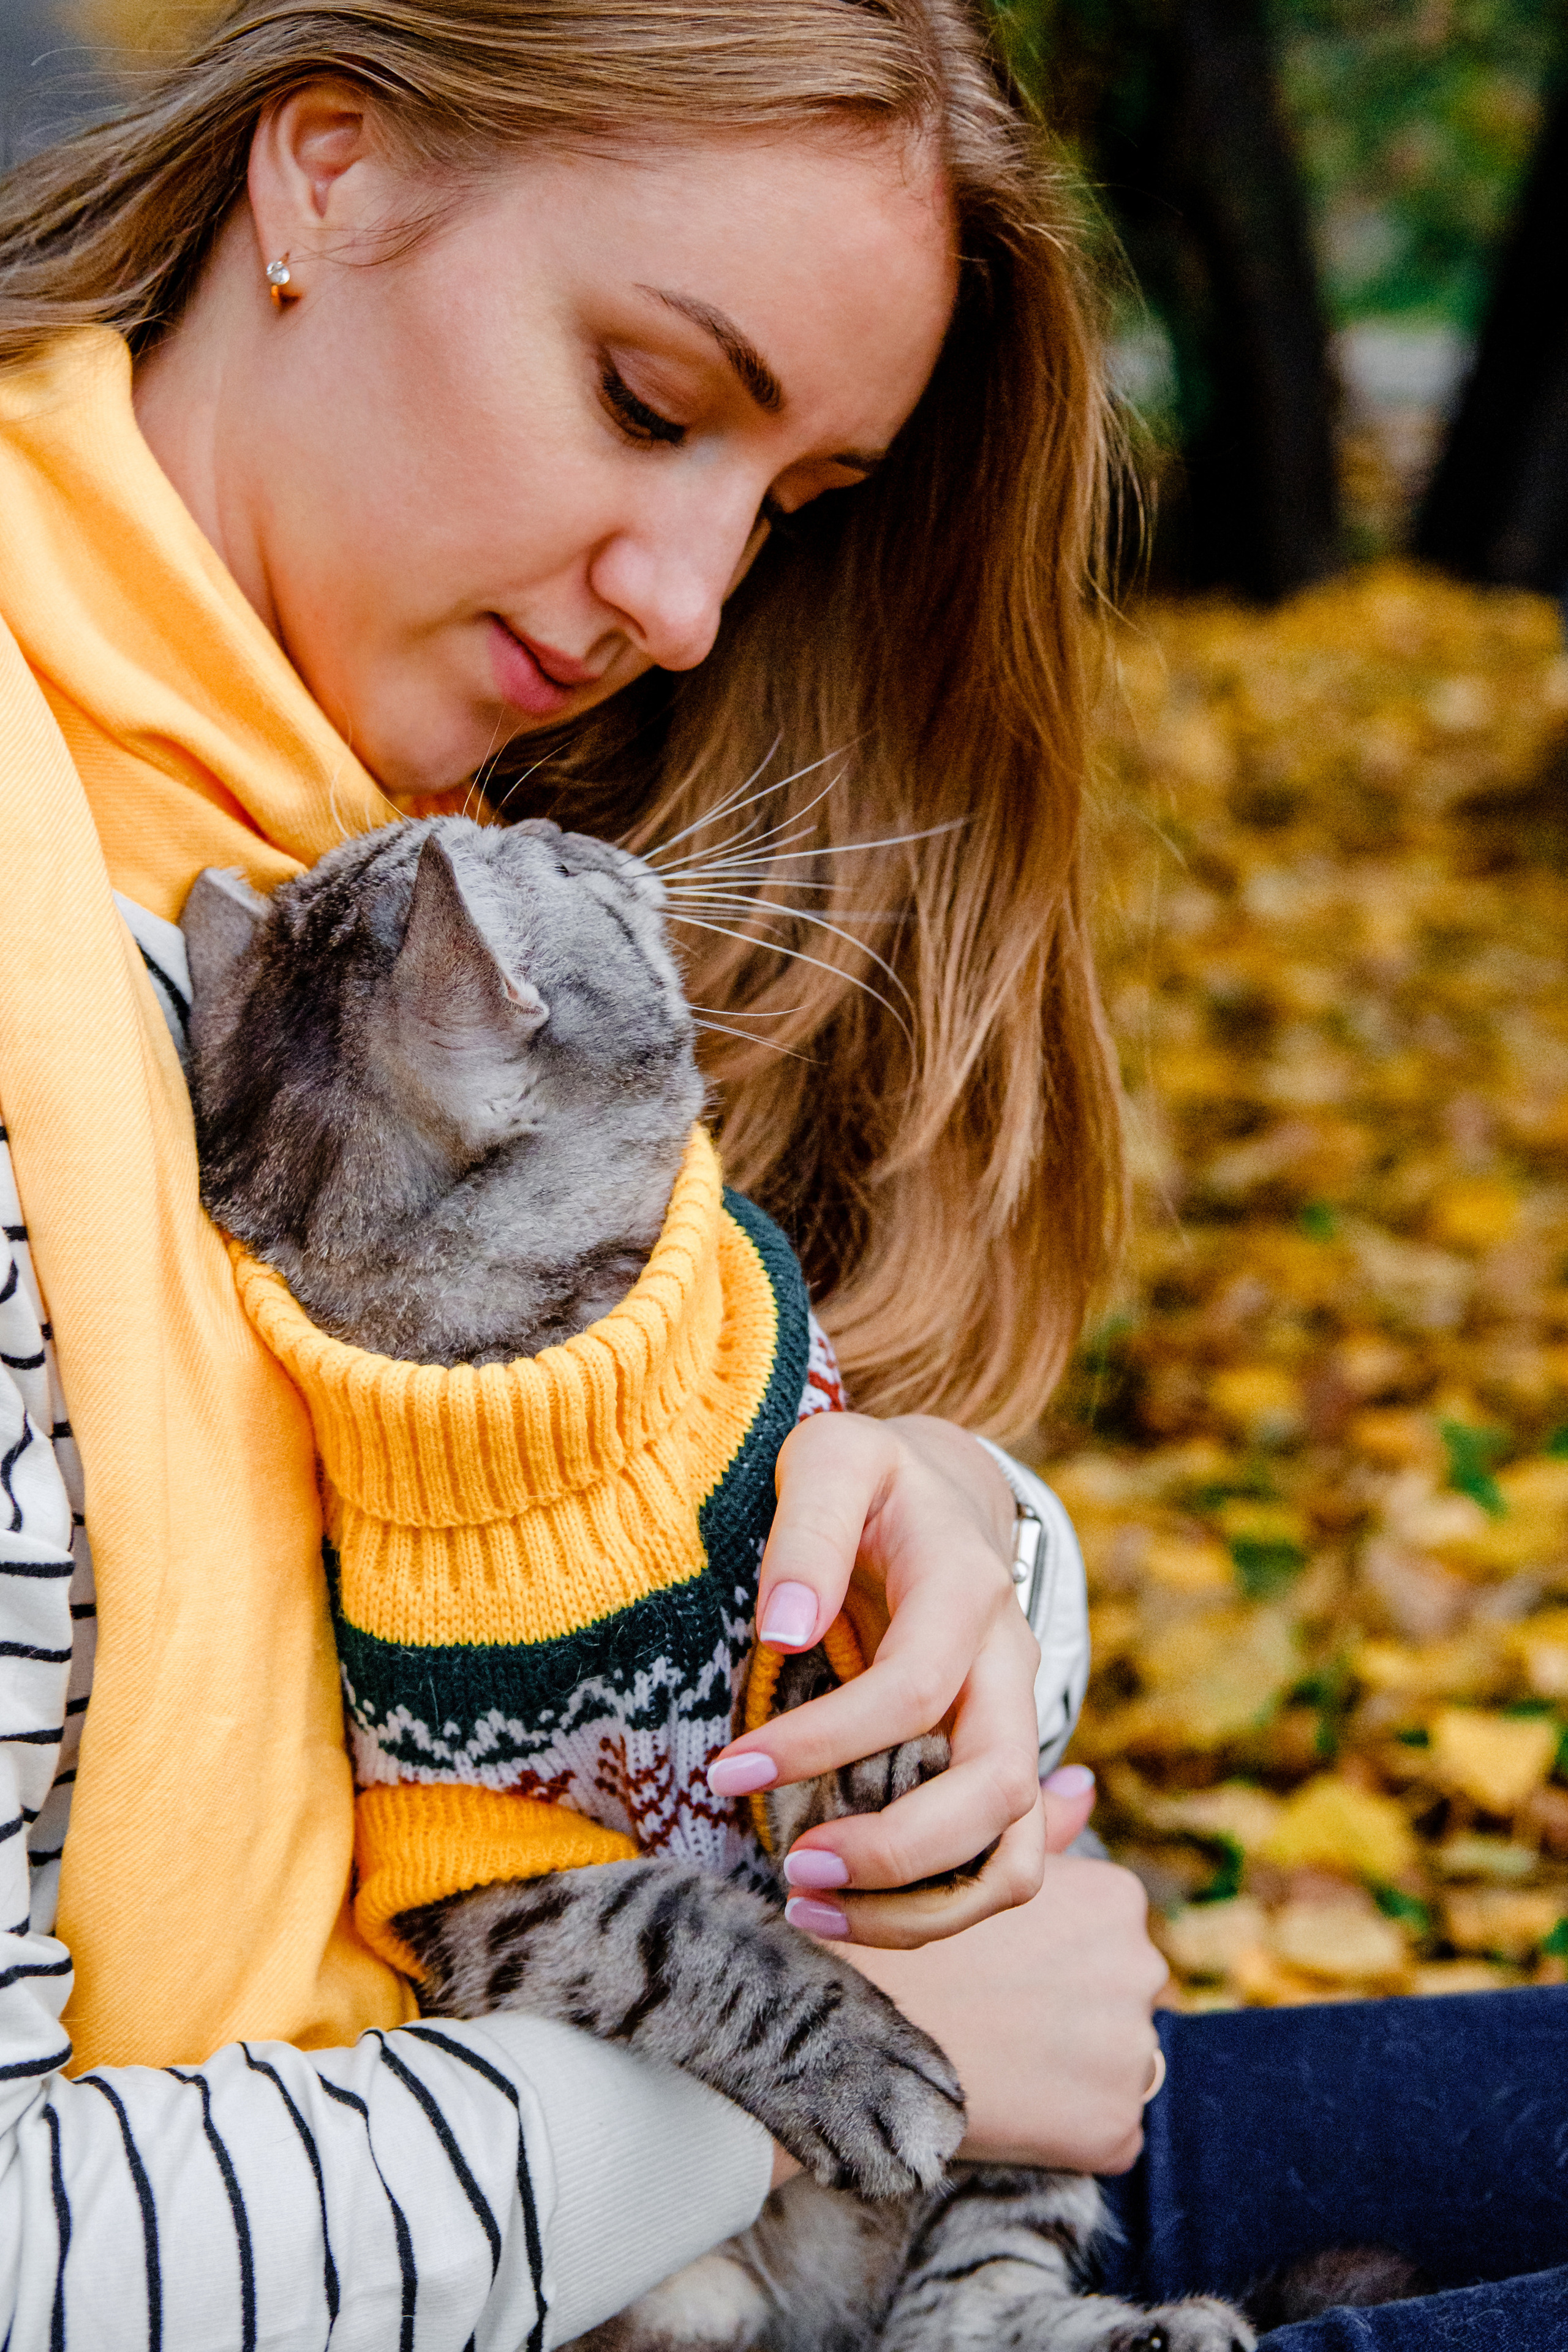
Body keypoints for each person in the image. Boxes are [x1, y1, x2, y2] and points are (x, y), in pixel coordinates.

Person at [0, 6, 1159, 2348]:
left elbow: (631, 1612)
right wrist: (777, 2089)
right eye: (648, 399)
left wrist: (944, 1531)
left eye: (790, 505)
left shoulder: (418, 853)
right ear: (326, 169)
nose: (694, 602)